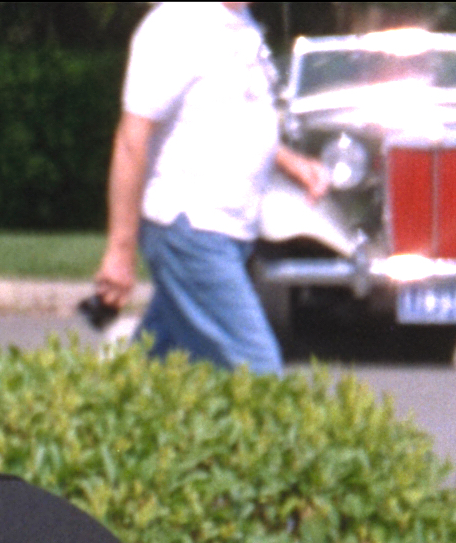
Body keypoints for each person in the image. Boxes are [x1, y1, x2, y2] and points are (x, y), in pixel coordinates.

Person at [85, 1, 328, 373]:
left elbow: (232, 115)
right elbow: (132, 140)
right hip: (190, 230)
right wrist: (120, 251)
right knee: (257, 376)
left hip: (227, 232)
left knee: (151, 370)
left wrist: (291, 162)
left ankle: (84, 420)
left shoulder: (239, 22)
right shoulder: (175, 25)